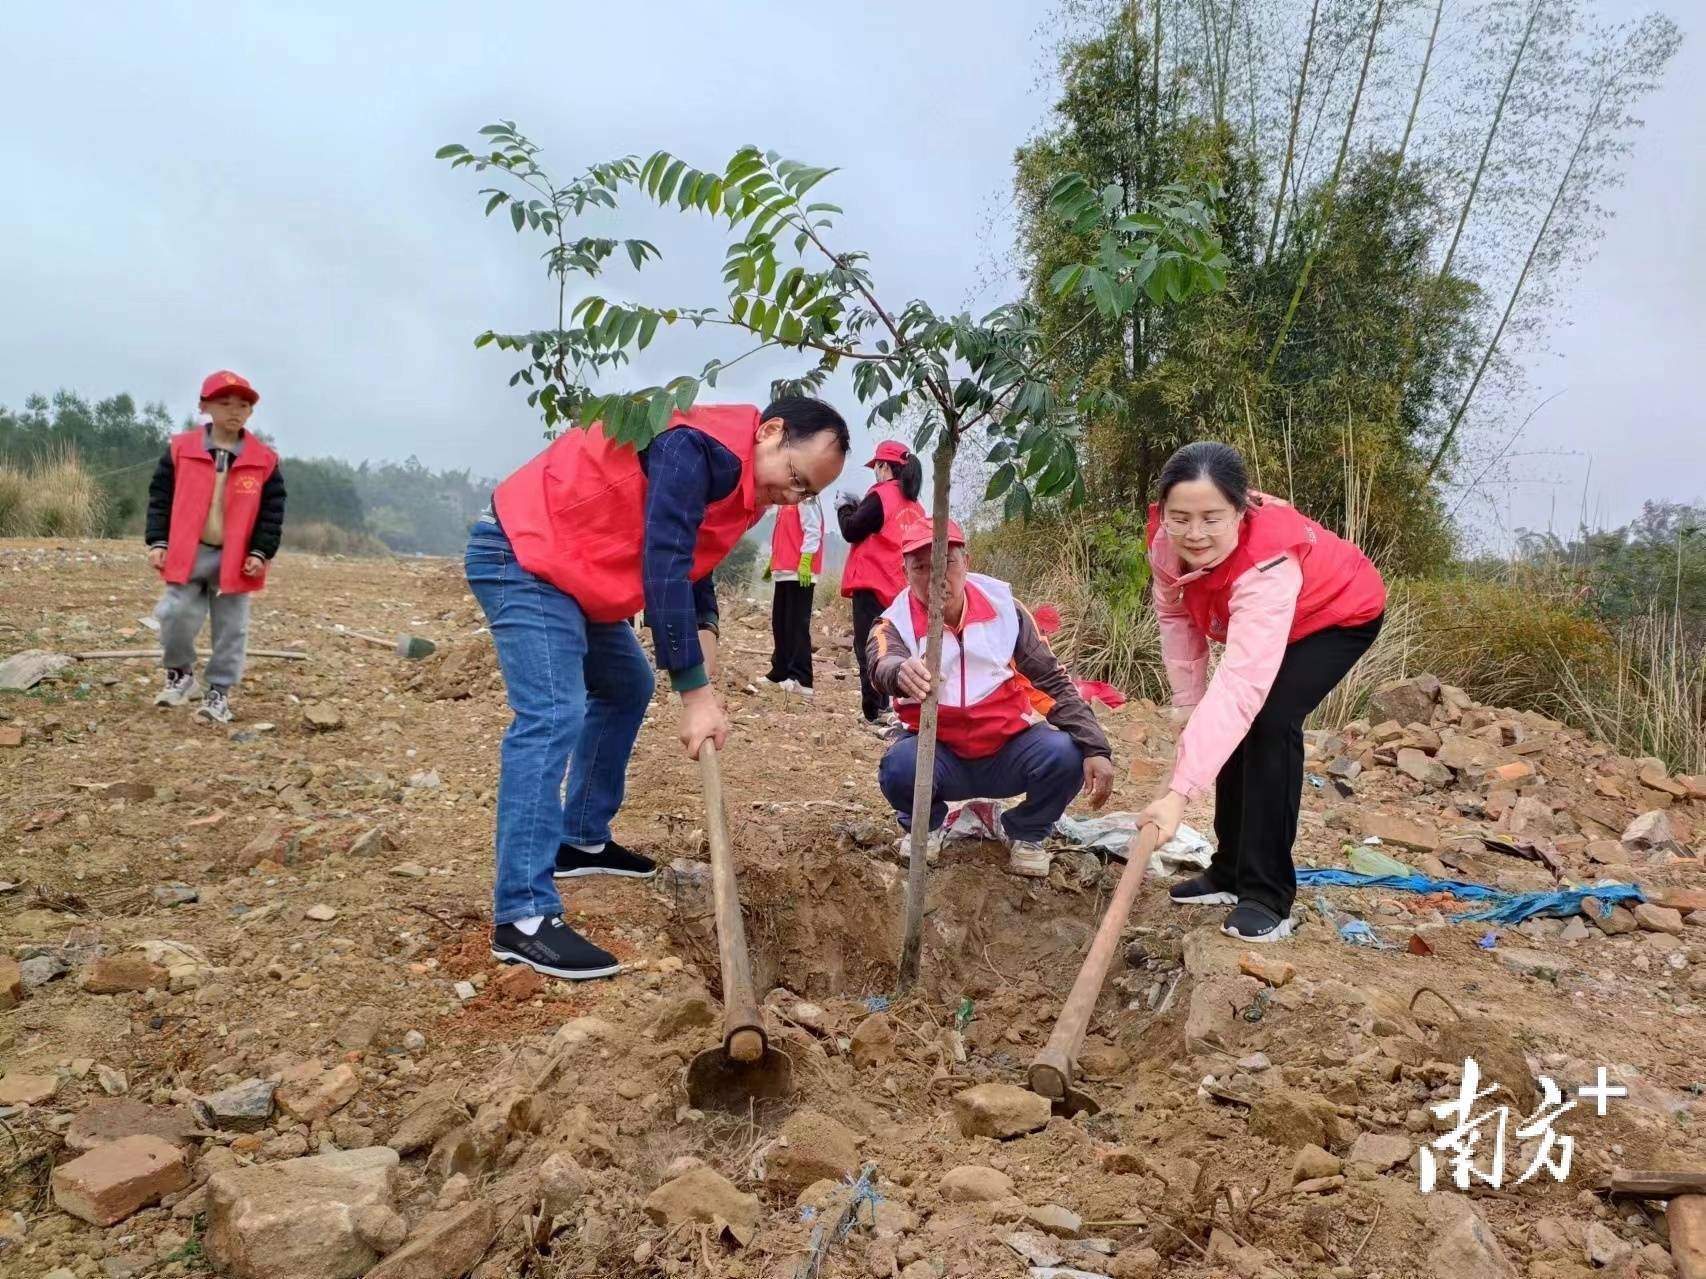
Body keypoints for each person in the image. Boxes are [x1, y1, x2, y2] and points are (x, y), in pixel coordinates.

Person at [469, 397, 850, 979]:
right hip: (524, 554)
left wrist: (706, 633)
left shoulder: (741, 478)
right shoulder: (690, 447)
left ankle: (579, 839)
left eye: (808, 493)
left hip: (575, 571)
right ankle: (520, 915)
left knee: (626, 682)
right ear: (771, 432)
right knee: (552, 713)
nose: (794, 498)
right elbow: (664, 558)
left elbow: (693, 557)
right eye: (795, 478)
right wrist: (694, 693)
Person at [1139, 441, 1386, 943]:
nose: (1195, 533)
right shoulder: (1165, 541)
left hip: (1336, 615)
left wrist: (1178, 796)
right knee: (1221, 720)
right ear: (1163, 511)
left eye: (1212, 518)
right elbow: (1174, 616)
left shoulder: (1267, 564)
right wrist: (1188, 703)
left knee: (1269, 721)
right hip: (1270, 622)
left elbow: (1241, 687)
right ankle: (1228, 871)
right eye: (1180, 517)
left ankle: (1268, 894)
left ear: (1240, 510)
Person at [868, 519, 1117, 878]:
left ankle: (1027, 833)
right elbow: (881, 661)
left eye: (947, 563)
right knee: (898, 767)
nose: (936, 577)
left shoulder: (1006, 610)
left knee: (1066, 754)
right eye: (921, 567)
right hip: (937, 756)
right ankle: (927, 826)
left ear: (966, 561)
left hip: (1008, 751)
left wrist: (1096, 747)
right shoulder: (894, 622)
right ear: (905, 572)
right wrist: (899, 672)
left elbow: (1052, 680)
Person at [145, 370, 286, 725]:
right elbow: (160, 498)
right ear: (204, 406)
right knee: (174, 614)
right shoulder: (180, 450)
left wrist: (260, 551)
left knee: (230, 628)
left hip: (236, 558)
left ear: (251, 413)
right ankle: (180, 674)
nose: (234, 411)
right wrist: (157, 541)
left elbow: (272, 511)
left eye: (243, 405)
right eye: (224, 403)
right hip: (188, 551)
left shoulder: (264, 460)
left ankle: (219, 692)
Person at [836, 441, 925, 723]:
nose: (875, 472)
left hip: (872, 582)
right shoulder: (916, 507)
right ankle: (898, 708)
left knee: (869, 646)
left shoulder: (881, 496)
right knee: (897, 647)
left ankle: (874, 711)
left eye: (877, 466)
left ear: (885, 467)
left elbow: (852, 530)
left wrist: (844, 507)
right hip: (901, 588)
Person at [762, 495, 824, 696]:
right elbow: (784, 533)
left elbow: (813, 530)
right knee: (780, 623)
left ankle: (802, 677)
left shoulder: (807, 496)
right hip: (784, 569)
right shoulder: (786, 499)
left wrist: (806, 560)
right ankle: (780, 670)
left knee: (797, 625)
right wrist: (774, 559)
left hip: (799, 572)